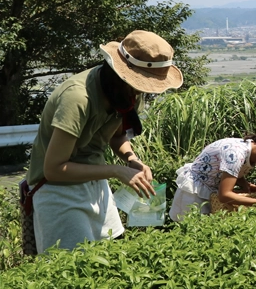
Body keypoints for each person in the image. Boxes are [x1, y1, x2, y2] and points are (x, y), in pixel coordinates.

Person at [26, 30, 183, 253]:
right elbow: (54, 169)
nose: (142, 92)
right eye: (142, 84)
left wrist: (132, 160)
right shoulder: (78, 98)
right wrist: (116, 171)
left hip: (95, 183)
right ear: (121, 74)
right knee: (72, 270)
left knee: (109, 257)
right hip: (58, 192)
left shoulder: (127, 95)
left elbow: (117, 135)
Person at [168, 133, 256, 222]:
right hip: (193, 193)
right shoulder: (236, 154)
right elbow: (224, 195)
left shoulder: (251, 154)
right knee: (191, 234)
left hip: (208, 191)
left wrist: (244, 184)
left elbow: (231, 171)